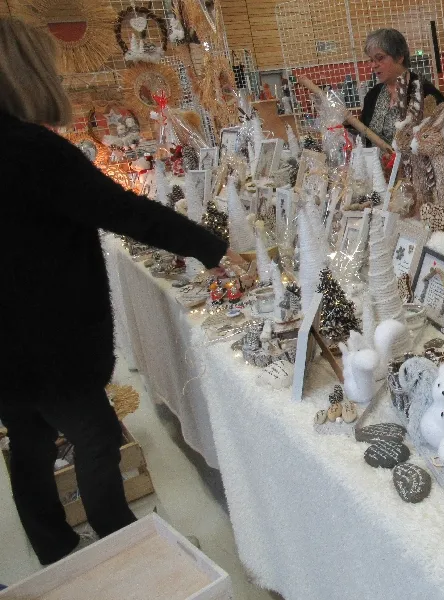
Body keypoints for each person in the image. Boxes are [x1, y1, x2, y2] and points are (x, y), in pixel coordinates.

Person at [0, 17, 246, 566]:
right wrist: (208, 245)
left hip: (8, 352)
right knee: (94, 437)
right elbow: (123, 211)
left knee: (29, 443)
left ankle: (57, 554)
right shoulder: (33, 152)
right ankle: (124, 551)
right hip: (51, 342)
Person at [360, 28, 444, 146]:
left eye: (380, 58)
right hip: (374, 163)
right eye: (371, 60)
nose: (374, 65)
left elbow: (441, 140)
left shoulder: (427, 93)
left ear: (399, 56)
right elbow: (364, 138)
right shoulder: (372, 96)